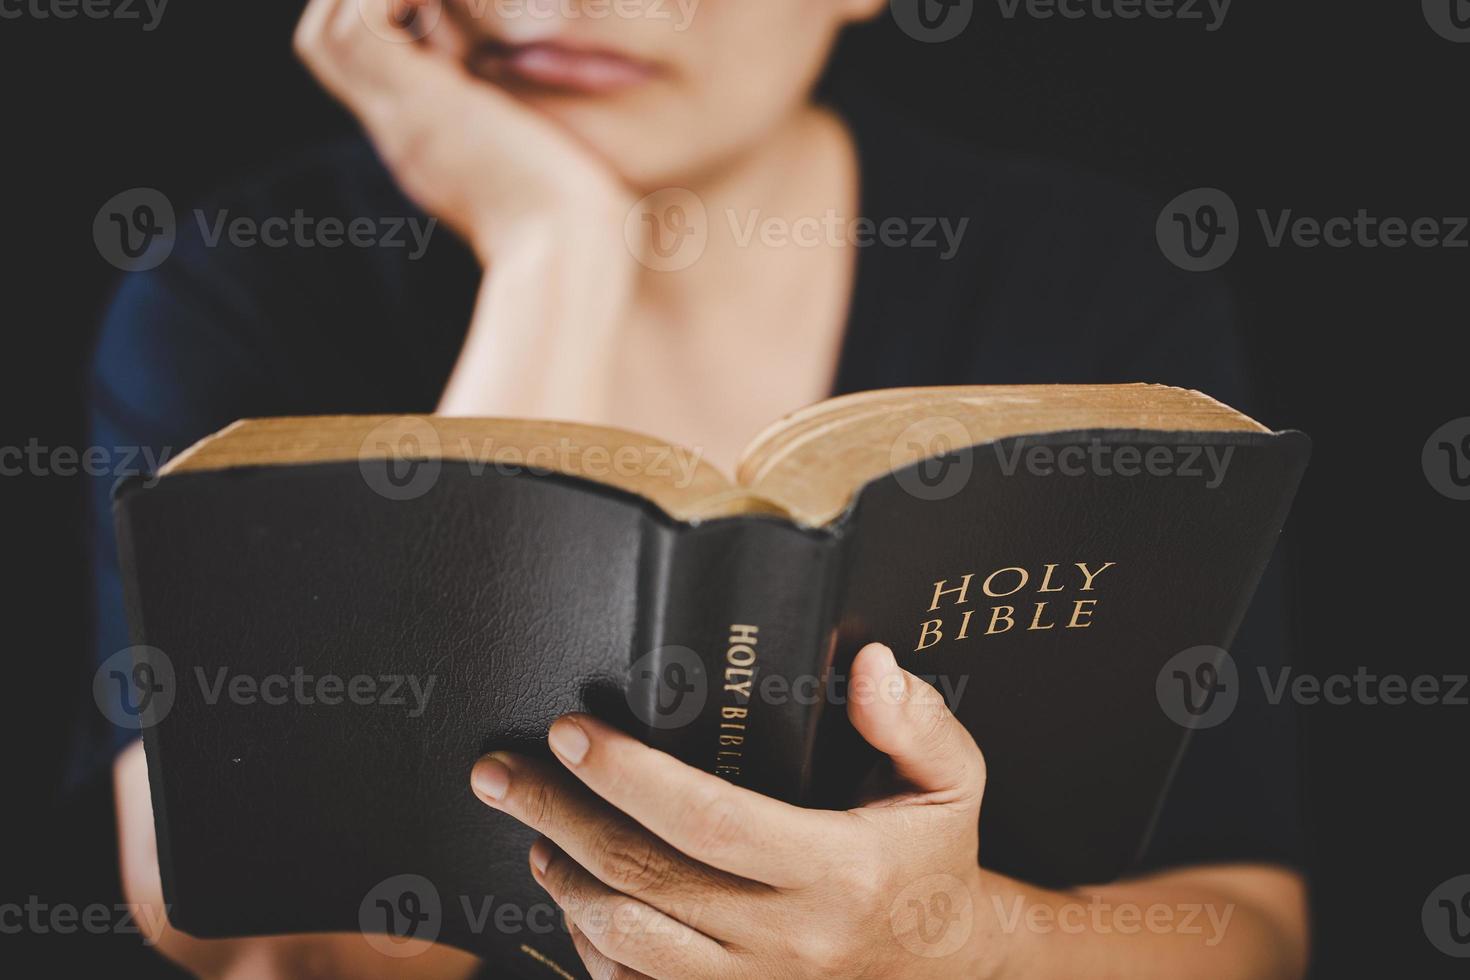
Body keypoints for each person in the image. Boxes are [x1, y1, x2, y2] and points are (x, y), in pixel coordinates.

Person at [88, 0, 1309, 975]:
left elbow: (1248, 922)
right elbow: (305, 953)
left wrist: (963, 942)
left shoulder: (1088, 292)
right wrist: (557, 252)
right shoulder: (238, 296)